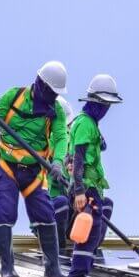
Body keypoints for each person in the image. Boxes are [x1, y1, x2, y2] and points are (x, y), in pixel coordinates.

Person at [0, 61, 69, 277]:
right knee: (3, 210)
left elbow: (61, 137)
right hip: (6, 165)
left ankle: (52, 268)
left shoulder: (55, 111)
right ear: (41, 85)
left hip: (34, 171)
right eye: (52, 92)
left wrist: (57, 162)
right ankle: (7, 268)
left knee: (45, 214)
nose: (54, 97)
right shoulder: (13, 96)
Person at [65, 74, 122, 277]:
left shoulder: (90, 125)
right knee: (87, 234)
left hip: (92, 187)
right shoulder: (85, 124)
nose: (106, 108)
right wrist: (79, 190)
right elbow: (78, 158)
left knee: (93, 232)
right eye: (104, 104)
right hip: (86, 188)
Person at [49, 96, 76, 253]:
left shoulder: (71, 140)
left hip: (67, 210)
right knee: (60, 202)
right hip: (52, 206)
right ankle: (58, 251)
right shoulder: (51, 138)